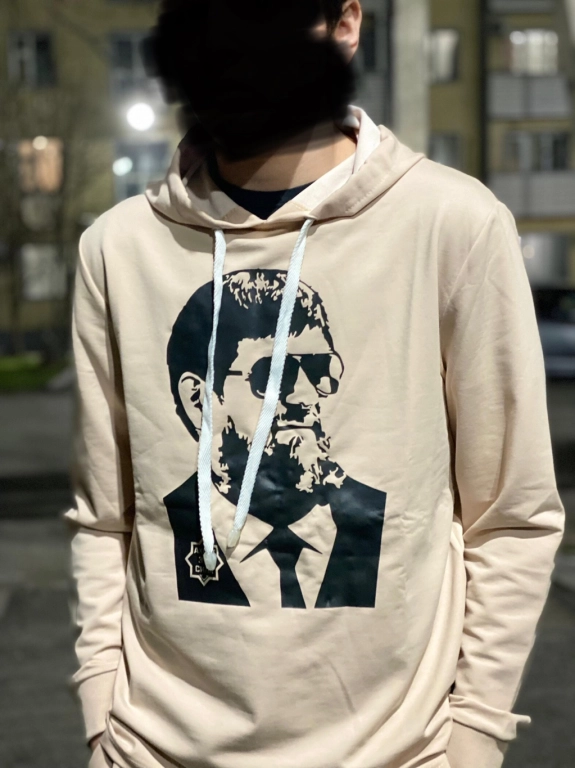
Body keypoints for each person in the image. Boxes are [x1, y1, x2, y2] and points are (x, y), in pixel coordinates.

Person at [62, 1, 565, 767]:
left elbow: (511, 515)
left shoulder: (451, 224)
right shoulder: (118, 249)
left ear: (344, 26)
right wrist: (102, 710)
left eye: (317, 369)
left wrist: (473, 736)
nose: (303, 396)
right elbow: (104, 519)